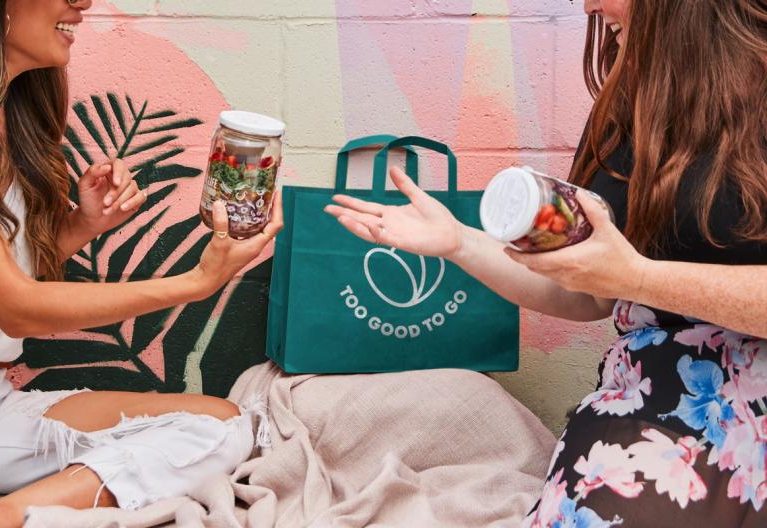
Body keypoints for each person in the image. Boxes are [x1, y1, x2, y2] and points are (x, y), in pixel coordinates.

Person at [326, 0, 767, 525]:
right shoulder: (631, 105)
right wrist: (458, 242)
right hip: (661, 397)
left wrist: (638, 277)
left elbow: (623, 278)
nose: (590, 5)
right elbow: (587, 294)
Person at [0, 1, 282, 527]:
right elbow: (17, 309)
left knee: (223, 426)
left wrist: (80, 228)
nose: (84, 2)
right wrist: (196, 282)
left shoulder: (7, 123)